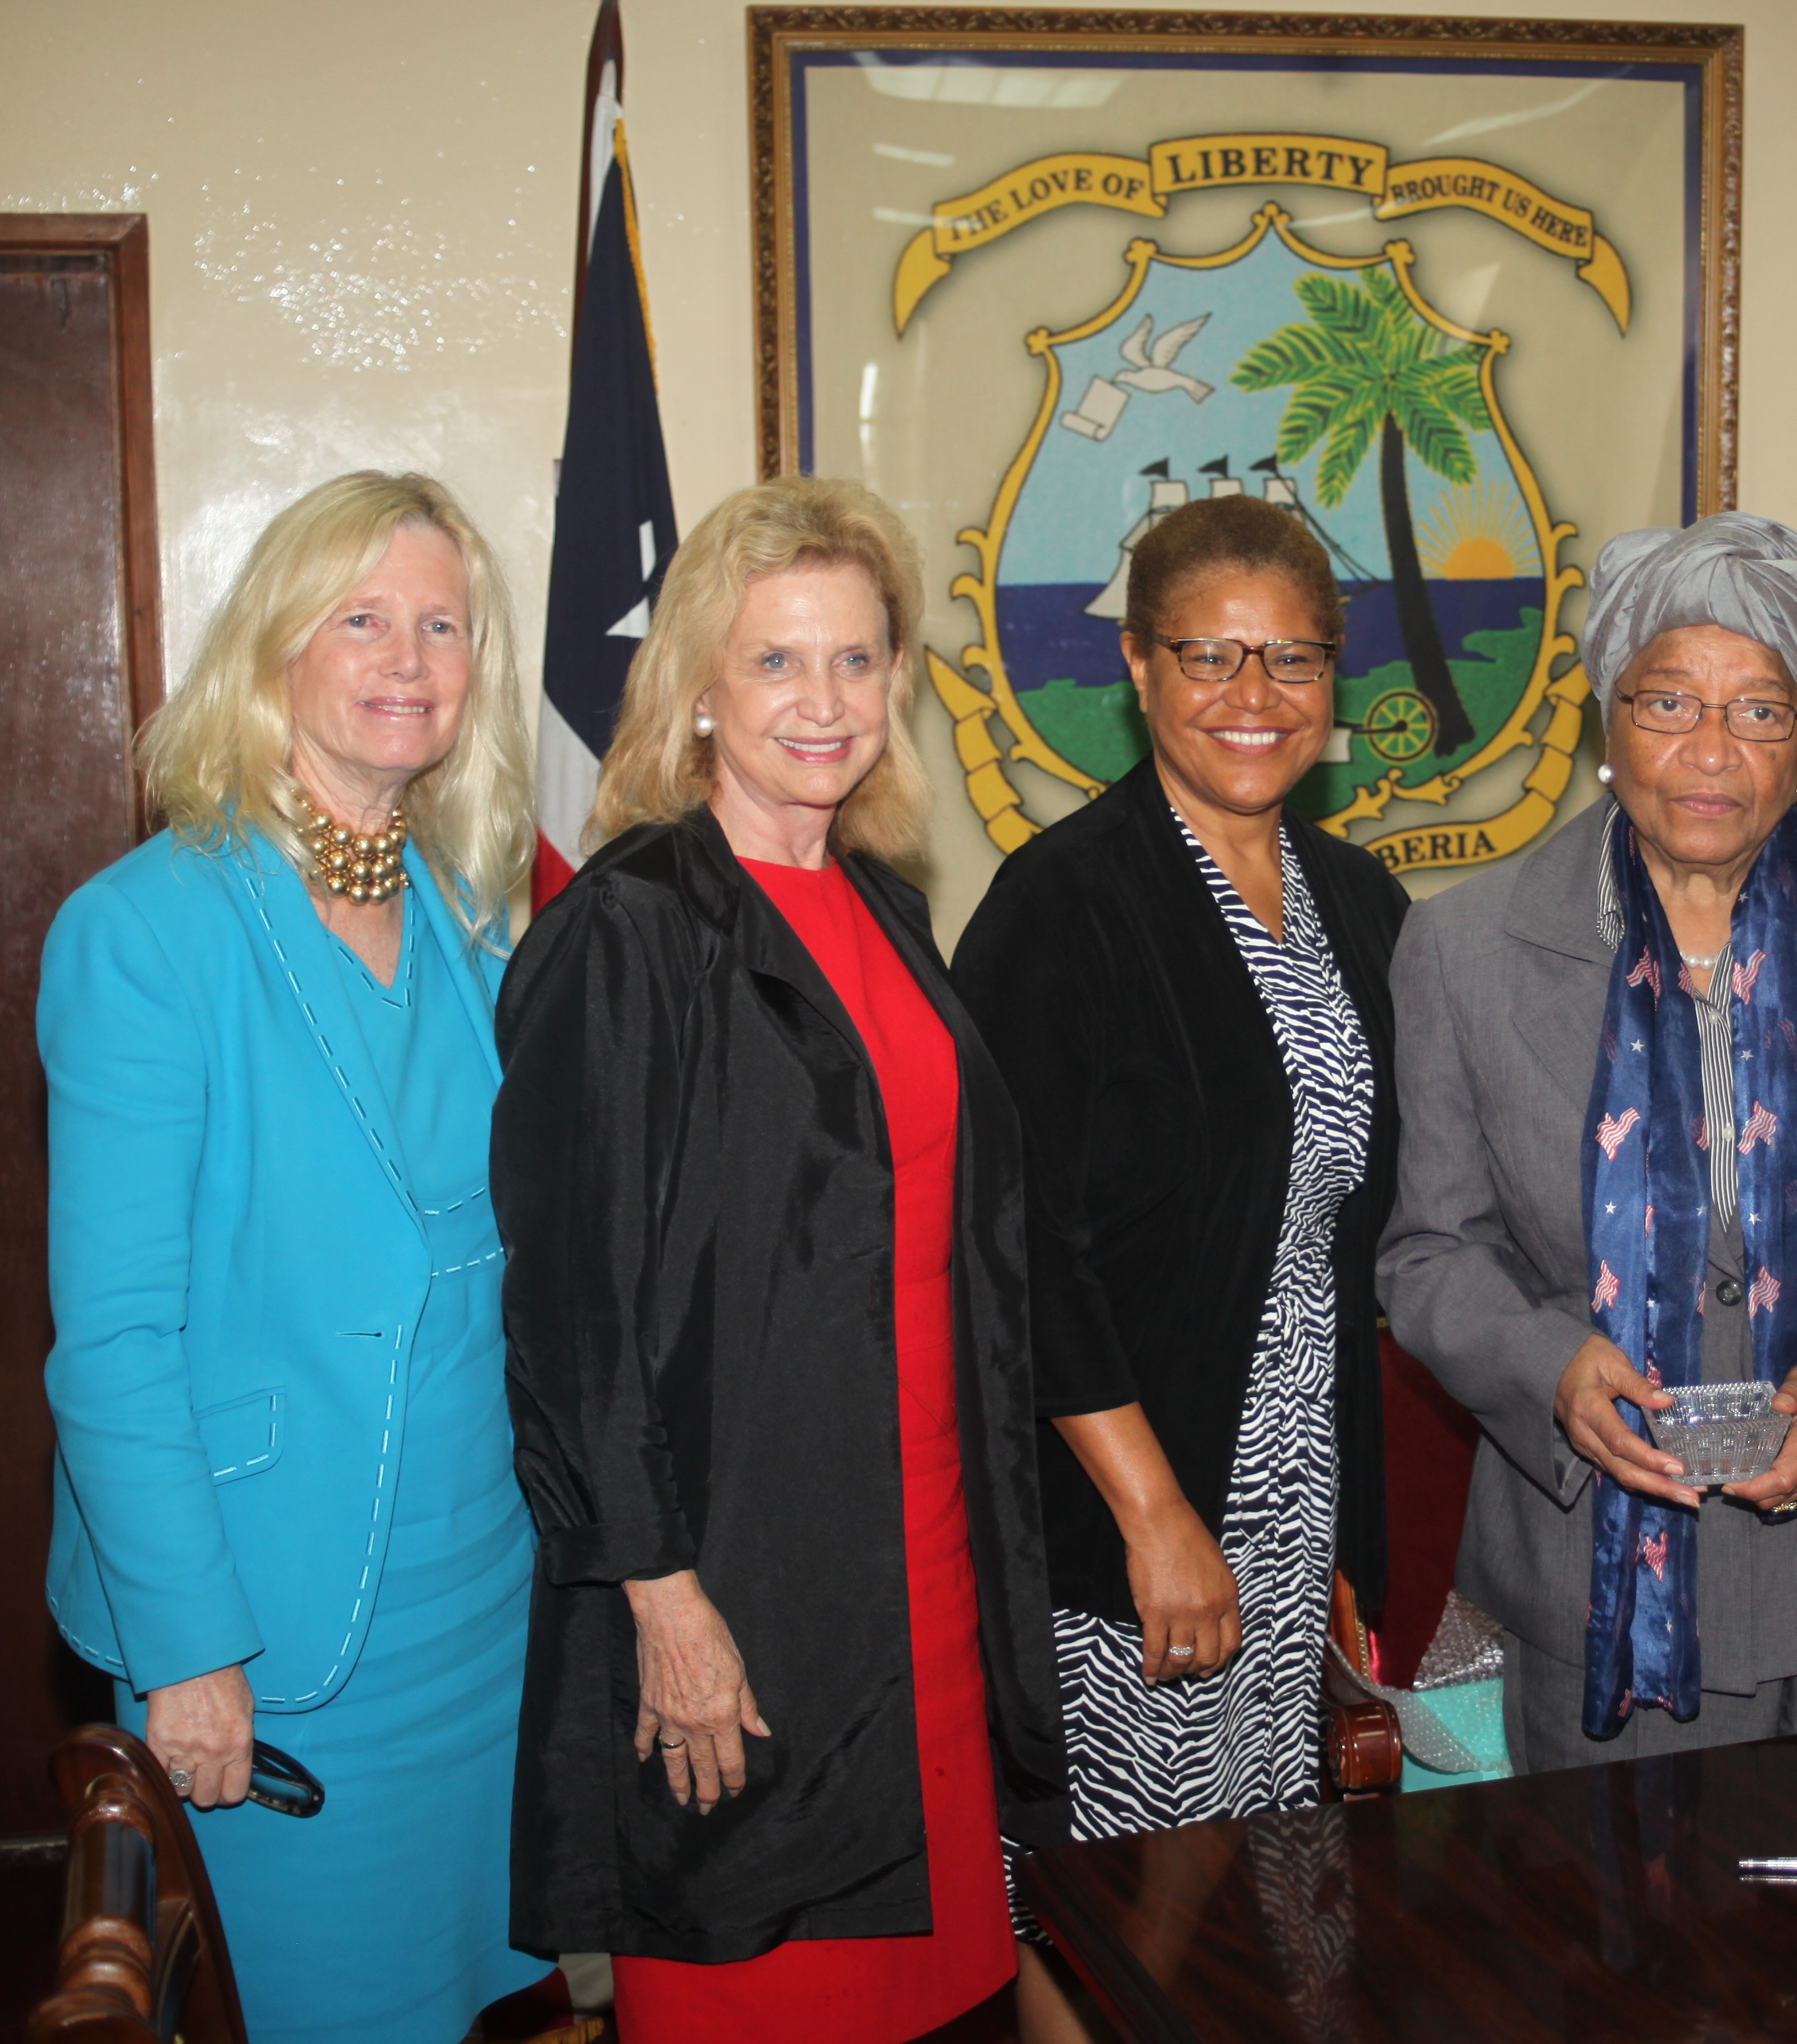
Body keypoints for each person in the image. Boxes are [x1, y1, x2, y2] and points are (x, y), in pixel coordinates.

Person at [492, 477, 1066, 2043]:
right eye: (775, 663)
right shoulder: (630, 930)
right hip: (741, 1598)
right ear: (695, 691)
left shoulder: (888, 906)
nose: (824, 702)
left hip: (929, 1581)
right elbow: (570, 1310)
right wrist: (663, 1599)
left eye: (858, 660)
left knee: (952, 2002)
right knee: (770, 1988)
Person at [1378, 513, 1797, 1771]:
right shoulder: (1465, 947)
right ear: (1607, 717)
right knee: (1611, 1946)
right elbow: (1432, 1250)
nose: (1712, 752)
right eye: (1669, 702)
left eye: (1761, 710)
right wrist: (1553, 1367)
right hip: (1590, 1563)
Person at [38, 471, 547, 2042]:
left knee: (468, 2001)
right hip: (272, 1623)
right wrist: (189, 1648)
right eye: (362, 617)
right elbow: (115, 1338)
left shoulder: (479, 913)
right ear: (274, 649)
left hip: (487, 1604)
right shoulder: (148, 930)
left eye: (444, 623)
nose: (408, 656)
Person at [951, 494, 1406, 2032]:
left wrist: (1343, 1513)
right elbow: (1015, 1246)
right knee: (1107, 1891)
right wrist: (1156, 1515)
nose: (1251, 695)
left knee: (1245, 1863)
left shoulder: (1357, 901)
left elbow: (1350, 1236)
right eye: (1207, 654)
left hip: (1289, 1483)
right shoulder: (1063, 900)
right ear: (1137, 672)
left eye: (1288, 658)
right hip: (1126, 1491)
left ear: (1335, 680)